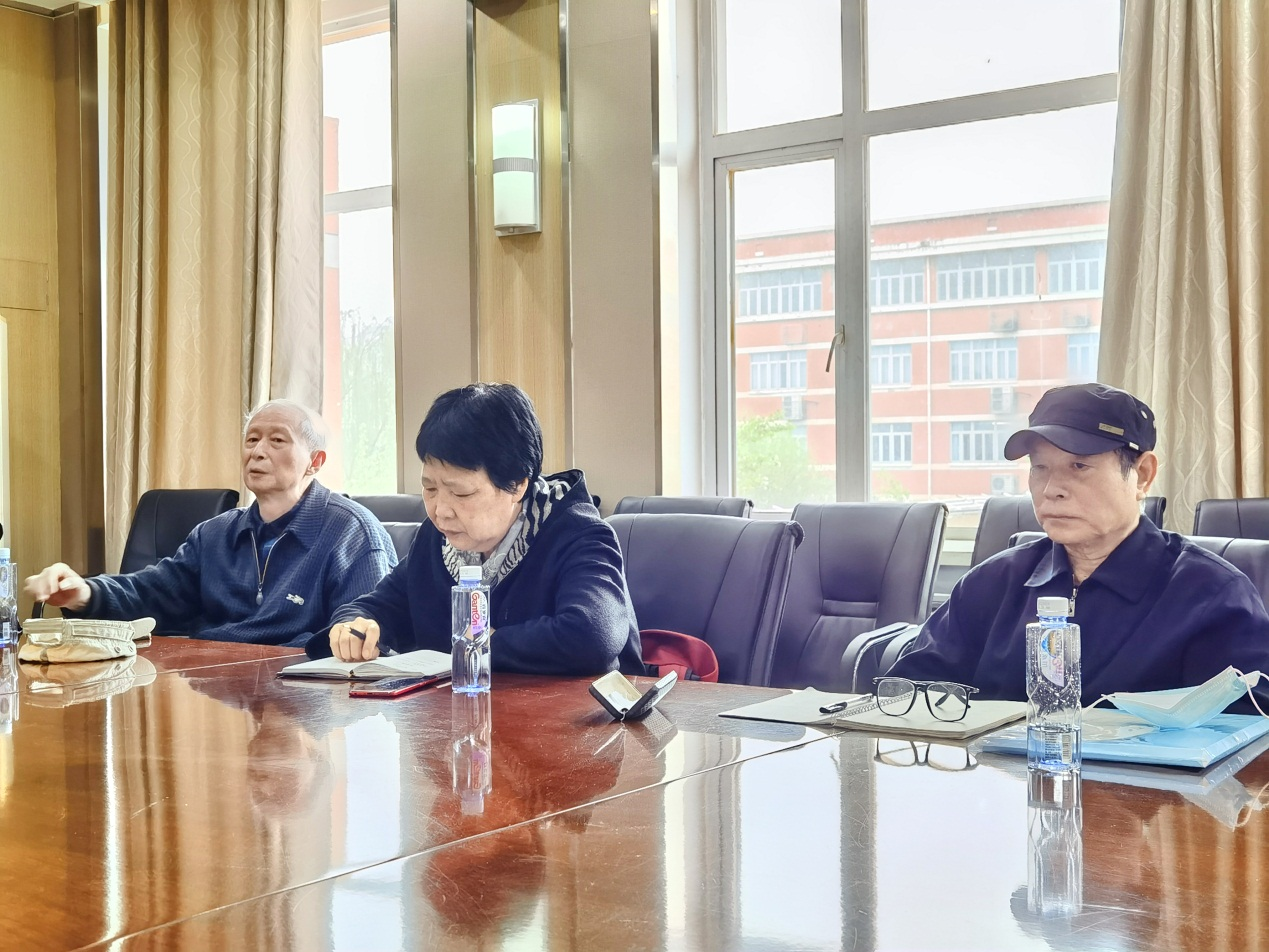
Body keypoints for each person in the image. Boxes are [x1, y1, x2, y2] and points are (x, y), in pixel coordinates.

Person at [887, 383, 1269, 706]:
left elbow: (1248, 740)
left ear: (1142, 475)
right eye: (1039, 467)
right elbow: (908, 697)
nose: (1051, 490)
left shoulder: (1210, 596)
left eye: (1079, 466)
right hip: (996, 774)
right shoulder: (991, 583)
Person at [317, 382, 642, 675]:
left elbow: (592, 635)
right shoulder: (437, 538)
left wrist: (478, 643)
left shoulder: (578, 534)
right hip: (463, 714)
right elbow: (377, 606)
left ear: (517, 485)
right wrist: (353, 627)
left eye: (461, 493)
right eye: (430, 489)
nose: (440, 511)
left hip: (576, 718)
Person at [25, 400, 396, 647]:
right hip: (215, 693)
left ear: (315, 461)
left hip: (301, 698)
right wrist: (84, 593)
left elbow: (363, 631)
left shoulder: (351, 533)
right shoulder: (215, 533)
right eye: (252, 439)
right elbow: (151, 593)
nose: (258, 451)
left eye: (277, 440)